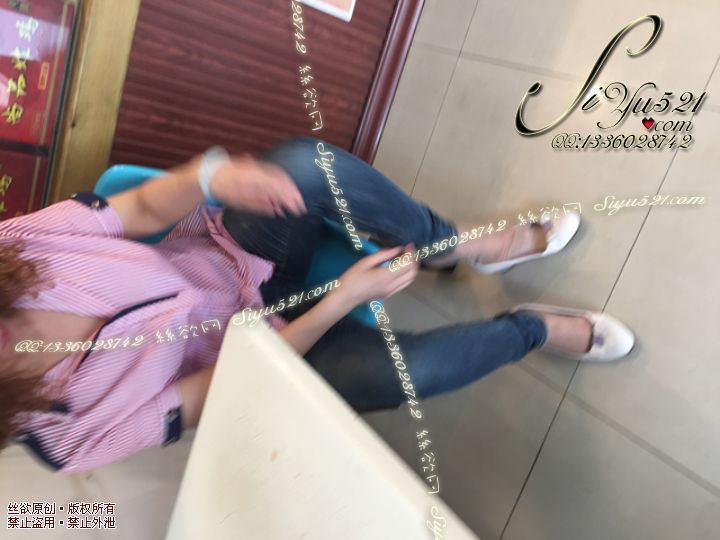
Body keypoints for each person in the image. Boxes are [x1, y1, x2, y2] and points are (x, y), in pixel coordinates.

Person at [0, 137, 634, 473]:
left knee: (302, 165)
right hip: (271, 355)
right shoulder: (67, 441)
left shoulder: (13, 246)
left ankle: (458, 247)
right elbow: (231, 381)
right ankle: (531, 330)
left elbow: (137, 208)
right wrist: (341, 301)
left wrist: (209, 175)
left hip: (234, 256)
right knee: (411, 374)